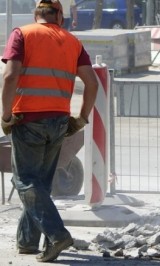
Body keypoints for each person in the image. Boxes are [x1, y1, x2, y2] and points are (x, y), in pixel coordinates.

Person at [1, 0, 98, 262]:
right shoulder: (72, 41)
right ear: (60, 18)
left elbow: (10, 76)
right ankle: (28, 242)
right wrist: (82, 117)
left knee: (25, 181)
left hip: (28, 120)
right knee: (39, 183)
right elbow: (92, 81)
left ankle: (57, 235)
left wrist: (6, 115)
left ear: (36, 15)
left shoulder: (22, 34)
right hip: (59, 121)